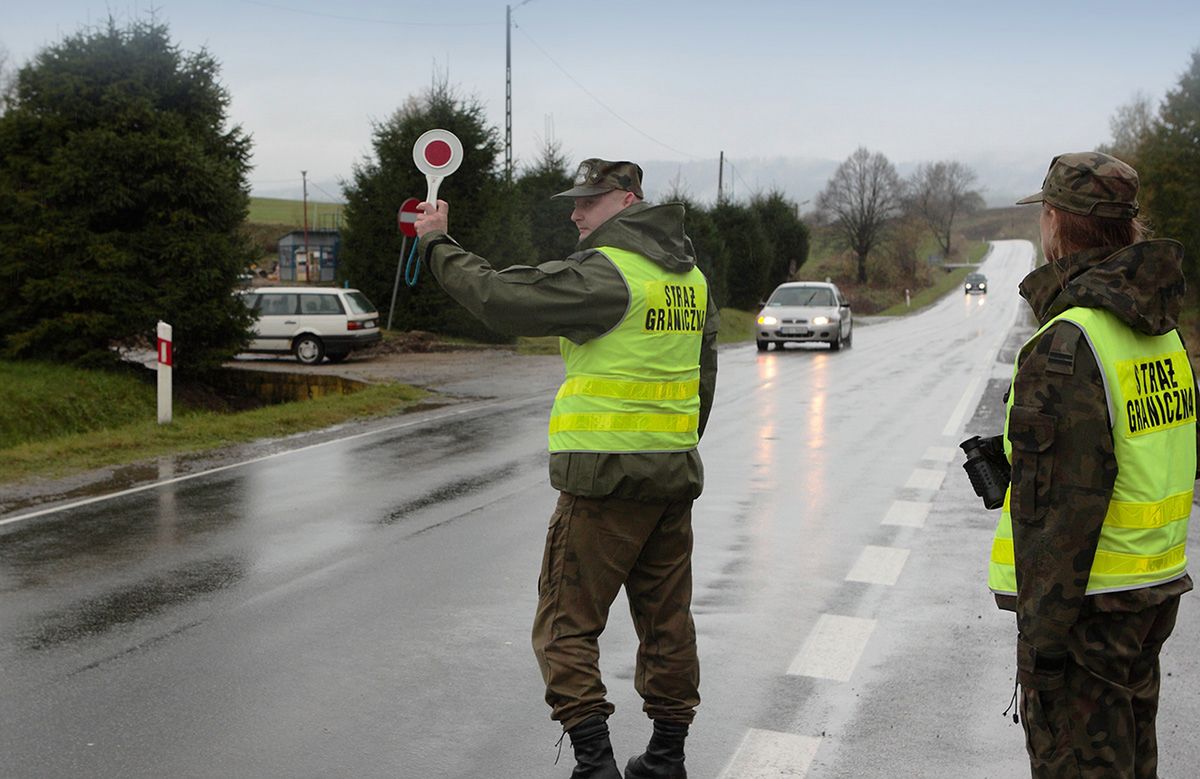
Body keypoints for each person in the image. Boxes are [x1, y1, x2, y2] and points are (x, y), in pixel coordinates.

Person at [414, 158, 718, 779]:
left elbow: (502, 299)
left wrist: (438, 244)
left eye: (590, 202)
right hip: (670, 478)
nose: (576, 214)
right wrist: (675, 445)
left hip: (605, 480)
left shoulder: (609, 274)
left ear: (628, 201)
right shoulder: (690, 280)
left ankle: (594, 765)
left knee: (564, 622)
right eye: (574, 202)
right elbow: (702, 377)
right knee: (666, 618)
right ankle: (666, 757)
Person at [987, 151, 1198, 778]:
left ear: (1056, 221)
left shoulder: (1069, 340)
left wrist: (1041, 648)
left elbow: (1062, 514)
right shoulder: (1160, 331)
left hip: (1086, 611)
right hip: (1150, 594)